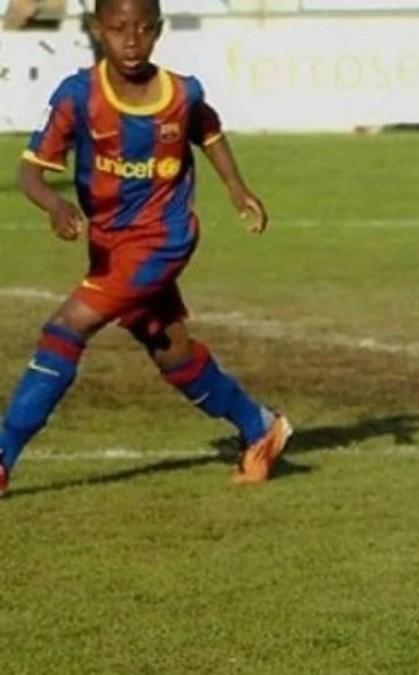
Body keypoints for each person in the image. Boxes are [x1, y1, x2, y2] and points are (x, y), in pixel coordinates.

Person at [1, 0, 291, 498]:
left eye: (141, 29)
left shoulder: (182, 93)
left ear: (158, 31)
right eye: (117, 29)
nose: (130, 41)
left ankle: (2, 456)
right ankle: (260, 426)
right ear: (98, 31)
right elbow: (29, 172)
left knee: (65, 329)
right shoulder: (78, 95)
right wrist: (53, 204)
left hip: (163, 239)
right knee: (171, 354)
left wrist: (237, 189)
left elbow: (210, 131)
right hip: (109, 244)